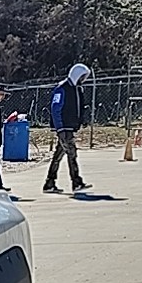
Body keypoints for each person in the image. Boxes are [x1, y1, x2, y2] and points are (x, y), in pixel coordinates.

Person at [44, 63, 92, 193]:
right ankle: (76, 182)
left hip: (70, 127)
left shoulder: (77, 89)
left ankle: (49, 182)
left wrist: (80, 121)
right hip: (64, 128)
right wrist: (59, 128)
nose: (83, 80)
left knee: (59, 154)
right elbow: (55, 108)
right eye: (82, 77)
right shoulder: (62, 88)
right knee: (72, 153)